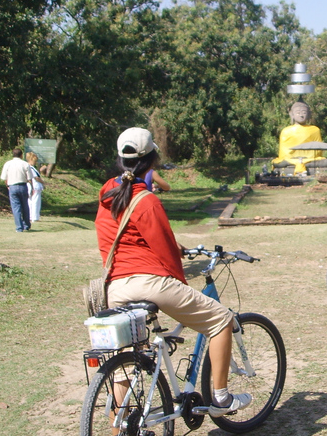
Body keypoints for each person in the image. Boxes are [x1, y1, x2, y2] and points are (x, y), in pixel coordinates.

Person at [95, 127, 251, 417]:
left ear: (120, 160)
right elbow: (165, 252)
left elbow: (122, 237)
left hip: (115, 287)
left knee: (123, 365)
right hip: (150, 283)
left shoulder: (108, 196)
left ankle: (121, 427)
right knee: (221, 320)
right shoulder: (146, 200)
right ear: (152, 160)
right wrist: (180, 284)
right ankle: (220, 398)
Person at [272, 99, 327, 174]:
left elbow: (318, 150)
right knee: (280, 162)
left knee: (326, 162)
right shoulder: (286, 131)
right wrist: (296, 159)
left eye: (304, 112)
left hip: (310, 160)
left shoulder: (315, 130)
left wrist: (306, 158)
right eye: (298, 113)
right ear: (292, 114)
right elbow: (283, 153)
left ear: (309, 114)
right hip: (290, 160)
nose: (301, 115)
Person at [0, 148, 32, 232]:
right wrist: (31, 187)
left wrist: (7, 185)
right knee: (25, 206)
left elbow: (4, 177)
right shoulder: (25, 164)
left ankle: (19, 227)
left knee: (16, 207)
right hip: (23, 186)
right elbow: (29, 178)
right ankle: (26, 225)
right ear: (21, 155)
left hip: (12, 186)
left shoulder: (8, 164)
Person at [26, 152, 45, 222]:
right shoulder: (30, 167)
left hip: (33, 187)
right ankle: (35, 217)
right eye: (35, 161)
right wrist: (43, 182)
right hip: (35, 187)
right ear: (31, 160)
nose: (35, 162)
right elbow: (36, 177)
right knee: (35, 202)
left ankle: (31, 216)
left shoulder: (31, 168)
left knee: (31, 202)